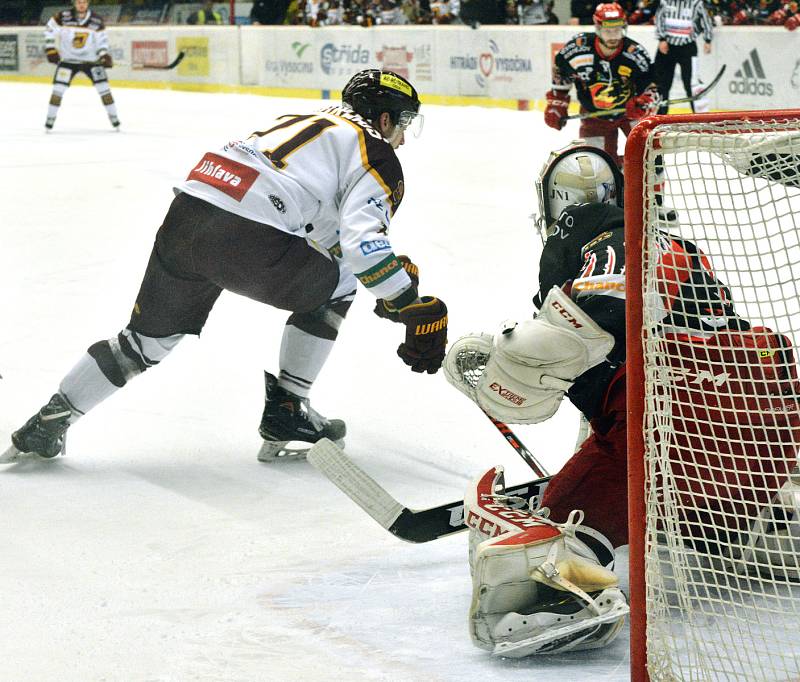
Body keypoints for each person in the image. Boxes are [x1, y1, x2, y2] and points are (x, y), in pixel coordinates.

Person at [444, 142, 800, 656]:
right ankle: (766, 523)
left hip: (682, 427)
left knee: (546, 533)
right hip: (769, 429)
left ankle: (570, 592)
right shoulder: (667, 241)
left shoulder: (608, 239)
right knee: (694, 508)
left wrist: (516, 353)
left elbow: (605, 314)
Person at [2, 69, 448, 465]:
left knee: (143, 343)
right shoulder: (375, 150)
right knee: (343, 283)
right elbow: (361, 247)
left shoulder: (301, 122)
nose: (403, 138)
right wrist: (406, 300)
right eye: (403, 124)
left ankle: (47, 422)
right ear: (384, 118)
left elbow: (309, 213)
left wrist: (381, 276)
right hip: (249, 236)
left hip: (189, 214)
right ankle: (288, 411)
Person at [543, 2, 659, 166]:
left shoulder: (635, 54)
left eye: (617, 30)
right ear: (597, 28)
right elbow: (561, 74)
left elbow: (652, 87)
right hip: (594, 117)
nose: (613, 36)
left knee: (652, 159)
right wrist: (556, 105)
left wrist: (644, 104)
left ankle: (651, 192)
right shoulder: (577, 49)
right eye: (607, 31)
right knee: (596, 166)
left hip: (630, 114)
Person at [43, 0, 120, 132]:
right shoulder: (62, 16)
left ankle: (114, 118)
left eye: (84, 2)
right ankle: (50, 119)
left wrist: (103, 54)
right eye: (79, 2)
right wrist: (50, 49)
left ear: (88, 3)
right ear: (74, 3)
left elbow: (102, 40)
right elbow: (49, 29)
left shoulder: (96, 20)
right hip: (68, 61)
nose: (81, 4)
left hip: (91, 61)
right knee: (58, 90)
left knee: (104, 89)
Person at [652, 0, 714, 114]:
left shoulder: (696, 3)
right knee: (662, 84)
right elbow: (659, 18)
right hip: (667, 47)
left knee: (692, 84)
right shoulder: (665, 1)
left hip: (688, 47)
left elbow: (706, 19)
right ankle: (660, 117)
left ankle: (700, 117)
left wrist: (708, 39)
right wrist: (662, 39)